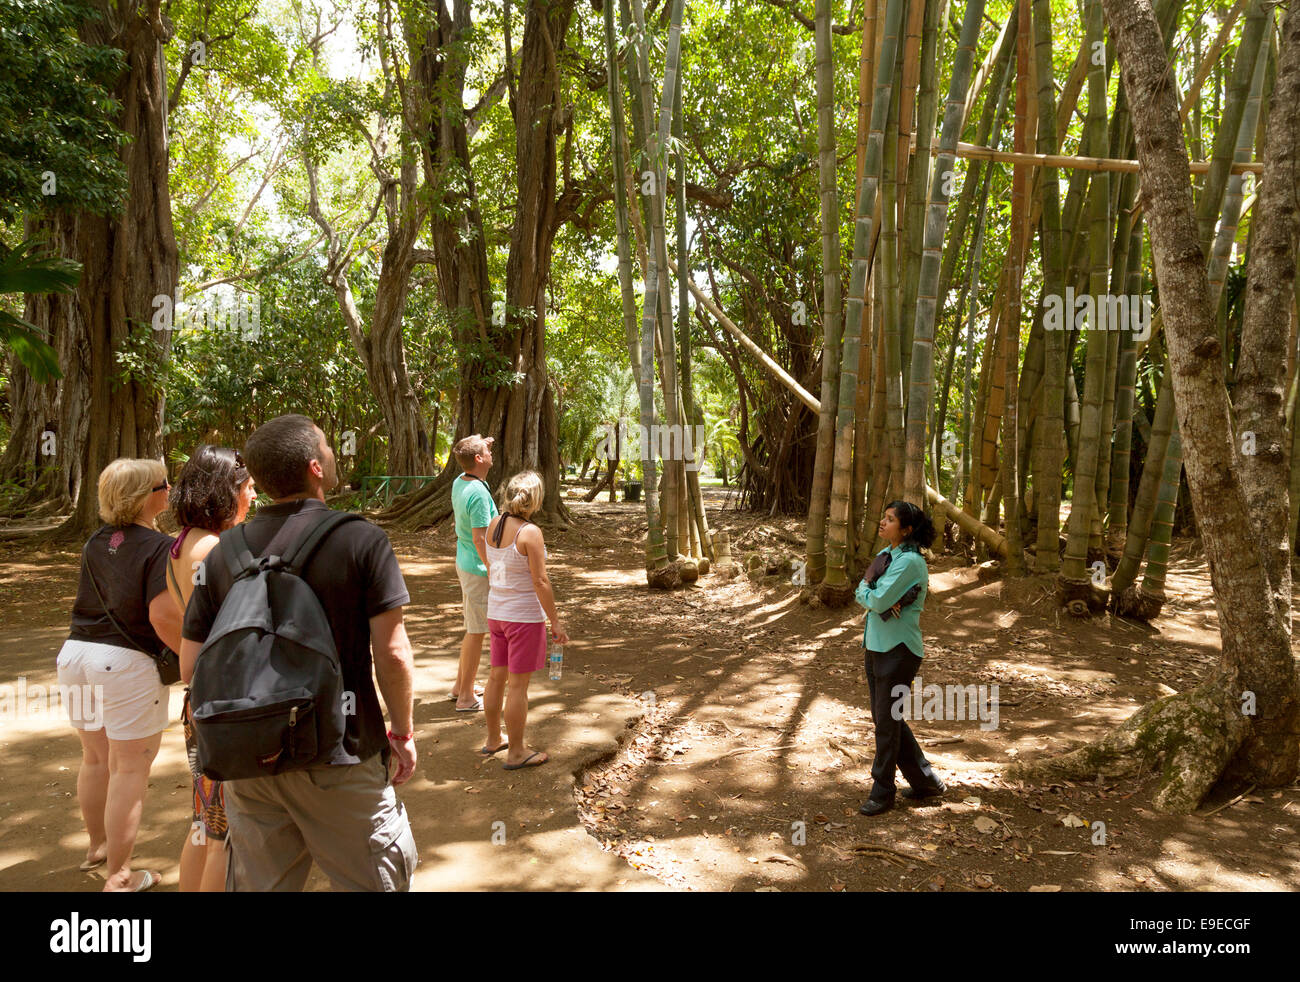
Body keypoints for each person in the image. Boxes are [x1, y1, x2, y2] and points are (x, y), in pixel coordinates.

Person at [179, 414, 418, 891]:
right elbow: (392, 653)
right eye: (327, 447)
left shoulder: (223, 552)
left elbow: (192, 664)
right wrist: (403, 731)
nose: (332, 453)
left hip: (250, 758)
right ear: (314, 466)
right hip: (342, 754)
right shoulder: (361, 539)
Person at [57, 458, 182, 891]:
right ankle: (122, 876)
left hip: (75, 654)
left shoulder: (95, 541)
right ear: (149, 496)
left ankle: (97, 847)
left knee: (94, 758)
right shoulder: (160, 547)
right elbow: (161, 616)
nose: (170, 488)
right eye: (164, 484)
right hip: (123, 661)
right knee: (130, 770)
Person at [166, 445, 257, 892]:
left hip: (200, 700)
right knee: (225, 833)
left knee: (204, 822)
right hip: (221, 703)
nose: (253, 497)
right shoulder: (215, 551)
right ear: (227, 491)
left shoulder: (182, 544)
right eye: (247, 488)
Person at [854, 500, 945, 816]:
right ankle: (926, 780)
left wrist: (869, 587)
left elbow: (874, 599)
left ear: (906, 530)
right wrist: (871, 591)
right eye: (884, 516)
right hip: (877, 645)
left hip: (898, 651)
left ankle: (882, 792)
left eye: (890, 519)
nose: (882, 522)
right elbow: (870, 596)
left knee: (886, 722)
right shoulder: (888, 556)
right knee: (885, 719)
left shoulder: (908, 563)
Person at [481, 470, 570, 769]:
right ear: (536, 499)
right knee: (518, 687)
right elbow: (541, 581)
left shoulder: (494, 524)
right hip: (522, 619)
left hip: (497, 614)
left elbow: (491, 561)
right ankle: (516, 751)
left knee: (496, 677)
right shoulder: (529, 532)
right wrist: (555, 621)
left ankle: (494, 738)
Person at [449, 434, 498, 711]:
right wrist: (492, 569)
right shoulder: (478, 494)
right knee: (477, 631)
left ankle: (460, 686)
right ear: (478, 459)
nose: (492, 453)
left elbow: (470, 451)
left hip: (465, 561)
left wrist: (480, 442)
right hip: (478, 568)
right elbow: (481, 538)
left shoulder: (462, 481)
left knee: (472, 628)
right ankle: (466, 697)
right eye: (486, 451)